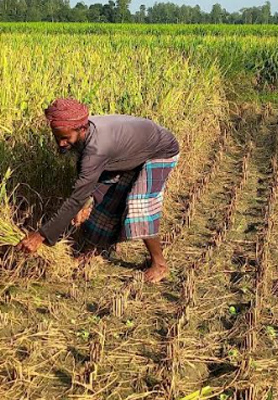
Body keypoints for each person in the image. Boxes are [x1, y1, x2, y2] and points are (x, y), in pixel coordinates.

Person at [16, 98, 180, 283]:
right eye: (57, 136)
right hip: (131, 152)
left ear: (82, 129)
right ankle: (93, 251)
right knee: (105, 201)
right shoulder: (83, 133)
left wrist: (41, 236)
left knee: (138, 205)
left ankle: (160, 264)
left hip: (160, 151)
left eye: (65, 138)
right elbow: (84, 180)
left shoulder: (96, 148)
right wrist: (86, 202)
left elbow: (77, 197)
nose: (61, 143)